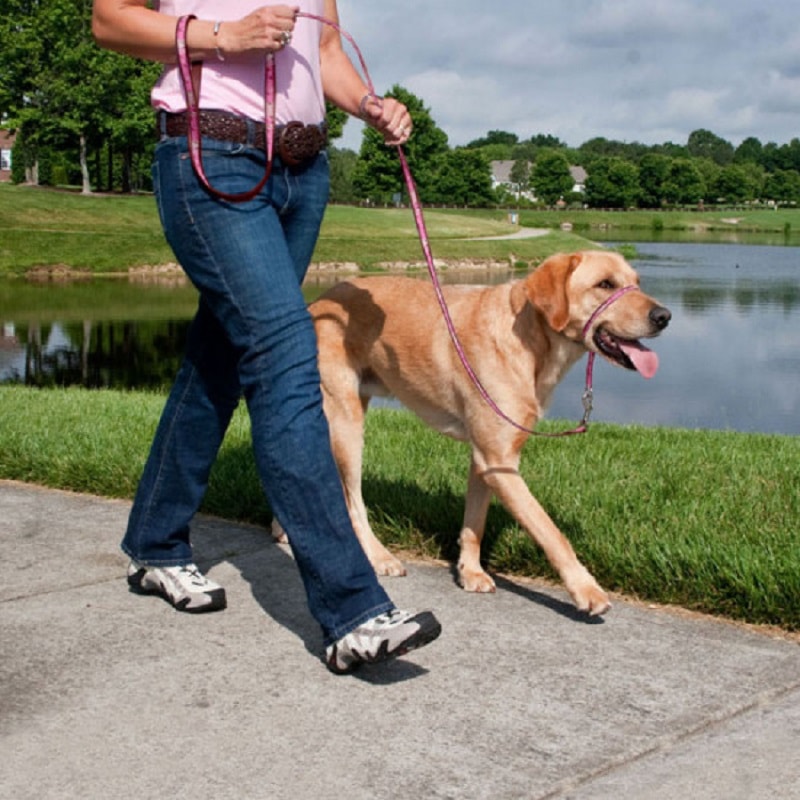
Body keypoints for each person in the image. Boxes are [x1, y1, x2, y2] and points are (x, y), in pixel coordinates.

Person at [91, 0, 441, 674]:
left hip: (302, 176)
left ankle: (155, 545)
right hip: (211, 159)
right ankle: (353, 612)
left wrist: (367, 105)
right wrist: (221, 36)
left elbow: (326, 55)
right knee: (285, 360)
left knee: (219, 360)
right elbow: (110, 21)